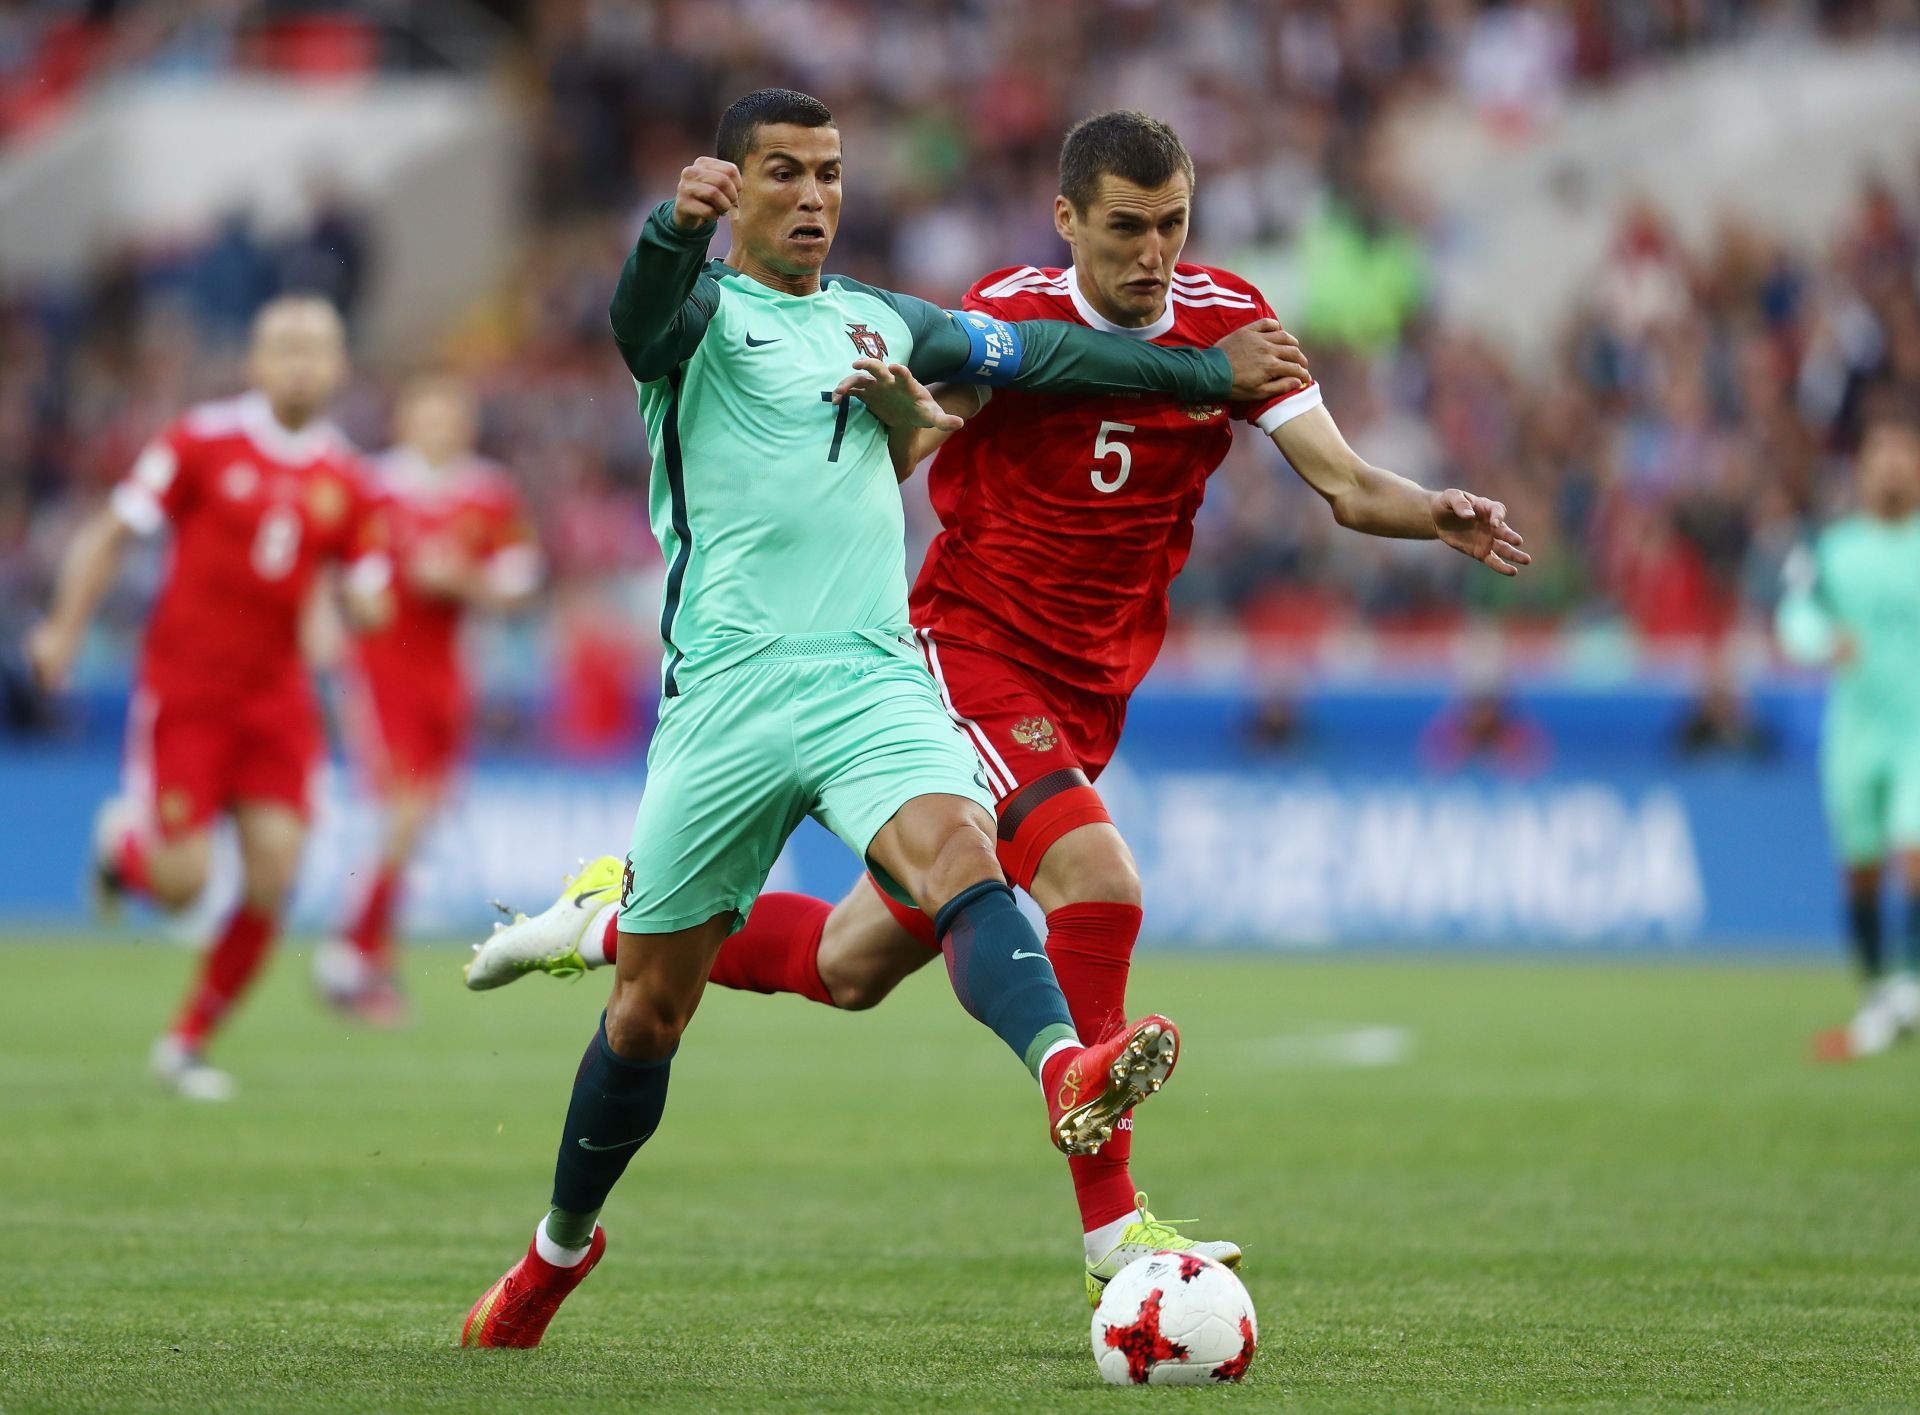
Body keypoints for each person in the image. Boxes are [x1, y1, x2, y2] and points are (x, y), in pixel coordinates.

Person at [466, 110, 1525, 1307]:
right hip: (958, 652)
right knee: (1096, 881)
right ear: (1068, 219)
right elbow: (869, 425)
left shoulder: (1219, 317)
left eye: (1173, 224)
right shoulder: (955, 311)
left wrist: (1430, 508)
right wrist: (868, 392)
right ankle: (1114, 1228)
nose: (1154, 252)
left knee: (845, 962)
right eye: (1126, 227)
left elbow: (1338, 480)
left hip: (1081, 689)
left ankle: (610, 917)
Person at [25, 295, 390, 1100]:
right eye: (284, 347)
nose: (300, 362)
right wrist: (63, 628)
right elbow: (113, 531)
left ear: (338, 367)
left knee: (274, 873)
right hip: (188, 690)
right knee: (182, 882)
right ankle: (123, 847)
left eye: (316, 348)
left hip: (276, 701)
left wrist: (366, 606)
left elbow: (367, 585)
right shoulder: (200, 440)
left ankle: (186, 1041)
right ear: (256, 363)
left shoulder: (350, 480)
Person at [311, 375, 543, 1025]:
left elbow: (522, 583)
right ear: (405, 421)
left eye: (451, 417)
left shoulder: (489, 491)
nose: (440, 429)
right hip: (382, 668)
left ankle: (365, 956)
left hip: (449, 672)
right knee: (405, 810)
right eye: (428, 416)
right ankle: (348, 953)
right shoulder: (372, 485)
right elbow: (336, 570)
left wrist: (462, 578)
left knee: (420, 816)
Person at [1779, 405, 1920, 1061]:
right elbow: (1795, 617)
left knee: (1915, 855)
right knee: (1862, 872)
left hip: (1915, 732)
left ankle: (1911, 989)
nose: (1892, 467)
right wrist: (1818, 640)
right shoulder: (1834, 550)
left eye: (1903, 454)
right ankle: (1876, 994)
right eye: (1880, 456)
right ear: (1863, 473)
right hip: (1855, 736)